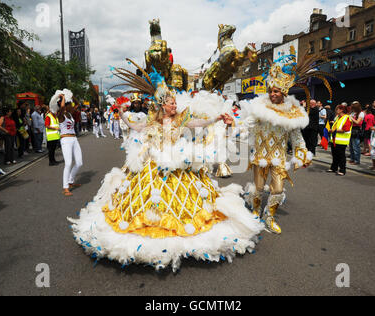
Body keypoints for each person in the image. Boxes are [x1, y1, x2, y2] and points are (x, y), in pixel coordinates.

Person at [69, 61, 264, 272]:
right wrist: (121, 113)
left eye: (174, 103)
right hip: (153, 167)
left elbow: (199, 123)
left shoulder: (181, 119)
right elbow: (134, 126)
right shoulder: (153, 122)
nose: (174, 105)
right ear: (163, 105)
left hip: (179, 166)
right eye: (171, 103)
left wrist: (217, 118)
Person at [240, 50, 326, 235]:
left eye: (276, 91)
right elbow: (246, 125)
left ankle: (269, 218)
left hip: (278, 158)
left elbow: (296, 136)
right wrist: (236, 128)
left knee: (278, 189)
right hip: (260, 156)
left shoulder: (291, 112)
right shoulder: (259, 108)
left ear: (284, 92)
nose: (272, 94)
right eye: (271, 91)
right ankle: (255, 213)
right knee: (259, 188)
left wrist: (302, 153)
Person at [55, 92, 83, 197]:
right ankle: (65, 187)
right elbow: (62, 106)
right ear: (65, 105)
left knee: (79, 162)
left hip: (74, 139)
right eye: (69, 104)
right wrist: (62, 97)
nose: (71, 105)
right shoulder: (60, 114)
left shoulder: (70, 114)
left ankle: (71, 181)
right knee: (68, 163)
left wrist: (71, 96)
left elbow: (77, 104)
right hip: (65, 139)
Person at [328, 105, 352, 176]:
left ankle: (342, 170)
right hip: (335, 140)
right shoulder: (338, 117)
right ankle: (334, 168)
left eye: (337, 109)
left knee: (341, 156)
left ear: (341, 110)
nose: (336, 110)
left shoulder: (346, 118)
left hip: (341, 141)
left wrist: (333, 130)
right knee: (335, 155)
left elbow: (345, 129)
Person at [46, 94, 62, 166]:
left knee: (53, 150)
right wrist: (55, 128)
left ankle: (53, 160)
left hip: (55, 136)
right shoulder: (48, 116)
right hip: (51, 136)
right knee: (51, 150)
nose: (56, 111)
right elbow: (47, 125)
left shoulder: (55, 116)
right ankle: (51, 162)